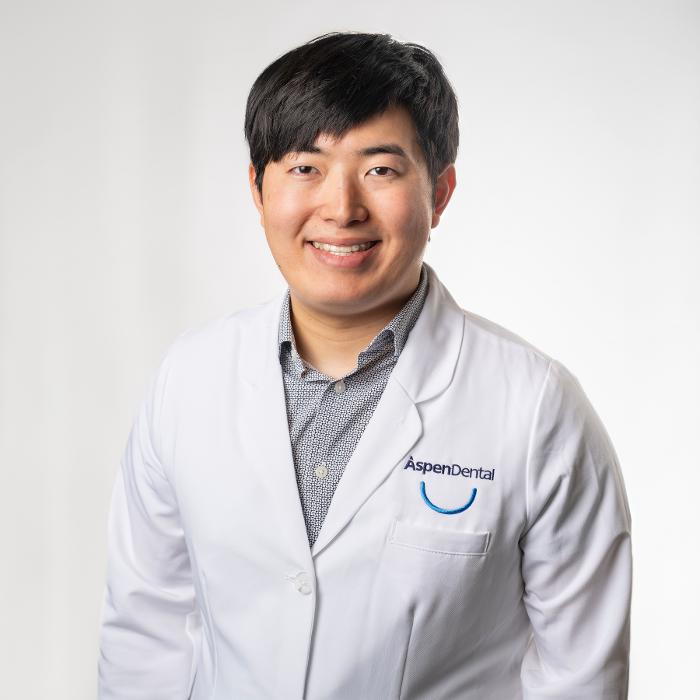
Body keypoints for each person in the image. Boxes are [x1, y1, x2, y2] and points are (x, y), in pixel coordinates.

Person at [97, 32, 632, 699]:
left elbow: (581, 676)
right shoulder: (189, 379)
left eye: (380, 169)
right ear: (258, 190)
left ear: (440, 192)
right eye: (305, 167)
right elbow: (146, 634)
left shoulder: (535, 407)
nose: (341, 208)